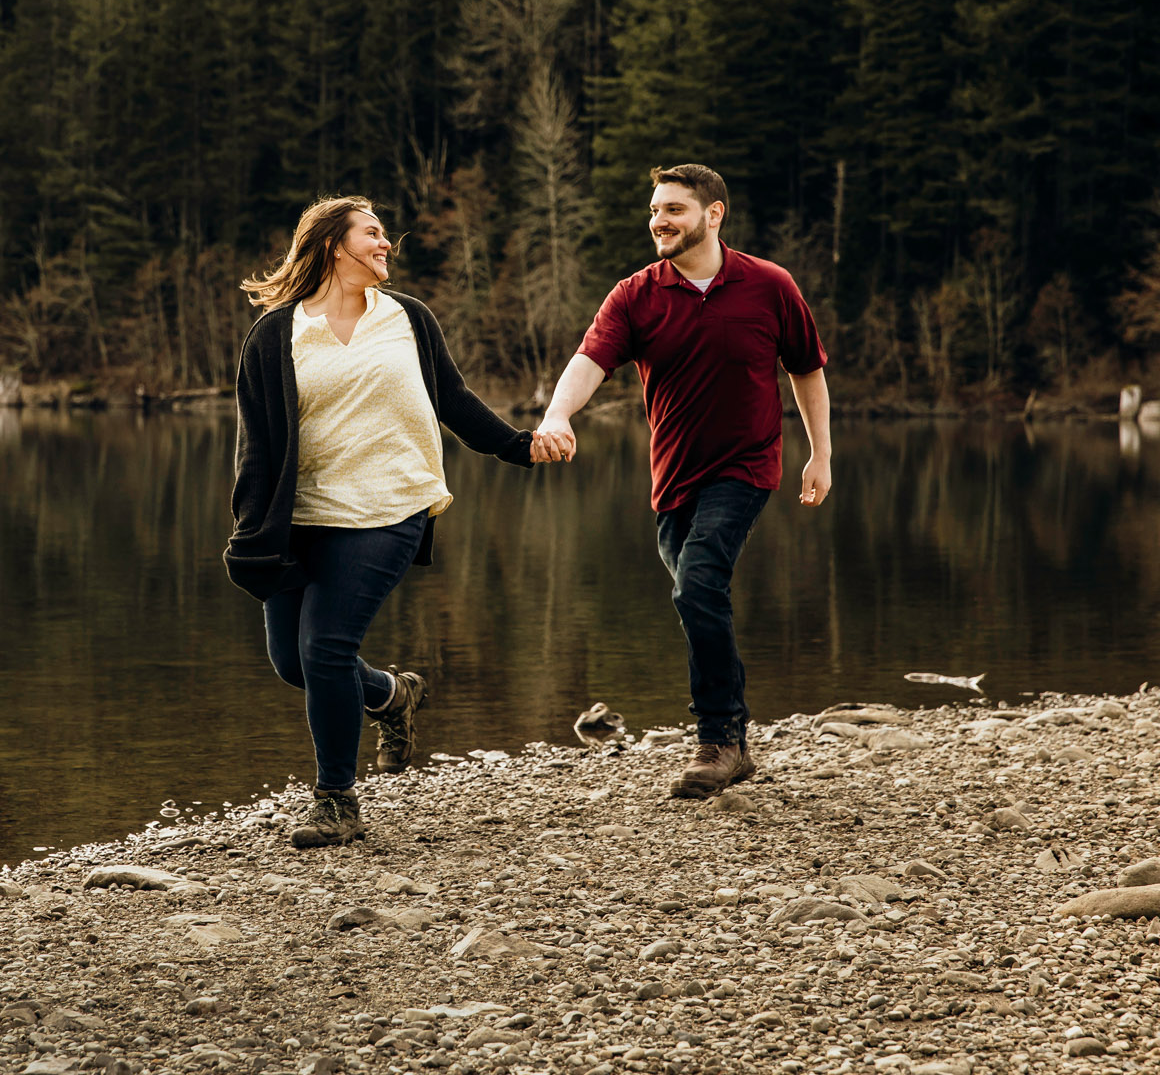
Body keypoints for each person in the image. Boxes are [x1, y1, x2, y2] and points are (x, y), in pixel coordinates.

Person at [226, 194, 544, 848]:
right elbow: (255, 445)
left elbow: (452, 397)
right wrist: (250, 532)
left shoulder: (408, 318)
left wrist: (518, 443)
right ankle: (392, 695)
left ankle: (337, 801)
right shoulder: (275, 334)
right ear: (333, 245)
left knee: (325, 648)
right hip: (300, 519)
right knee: (293, 662)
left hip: (387, 509)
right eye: (373, 233)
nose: (387, 243)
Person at [532, 163, 831, 798]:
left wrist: (820, 454)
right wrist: (558, 412)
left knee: (698, 582)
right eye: (654, 211)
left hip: (747, 467)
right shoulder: (635, 294)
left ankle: (719, 739)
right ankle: (736, 741)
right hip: (673, 478)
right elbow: (591, 360)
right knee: (700, 595)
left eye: (673, 209)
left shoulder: (770, 286)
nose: (659, 222)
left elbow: (806, 370)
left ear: (713, 214)